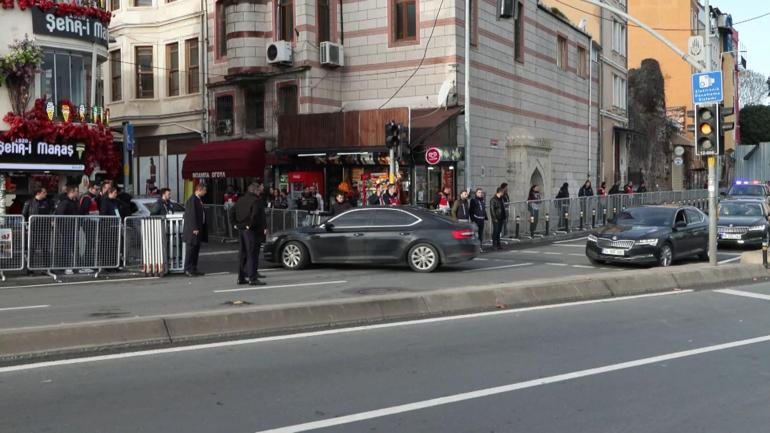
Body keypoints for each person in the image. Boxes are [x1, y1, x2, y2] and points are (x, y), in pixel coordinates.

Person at [231, 183, 266, 286]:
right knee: (252, 255)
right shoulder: (256, 201)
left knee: (243, 254)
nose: (260, 192)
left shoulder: (240, 200)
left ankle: (241, 278)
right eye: (259, 190)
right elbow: (255, 215)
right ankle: (252, 278)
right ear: (255, 191)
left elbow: (232, 211)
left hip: (241, 230)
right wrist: (249, 226)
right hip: (252, 231)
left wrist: (235, 224)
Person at [183, 184, 208, 277]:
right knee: (190, 250)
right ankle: (188, 269)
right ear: (199, 190)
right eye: (204, 190)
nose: (205, 192)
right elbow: (191, 215)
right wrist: (194, 228)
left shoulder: (198, 199)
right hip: (192, 231)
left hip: (198, 230)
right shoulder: (192, 200)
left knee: (195, 250)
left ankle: (194, 268)